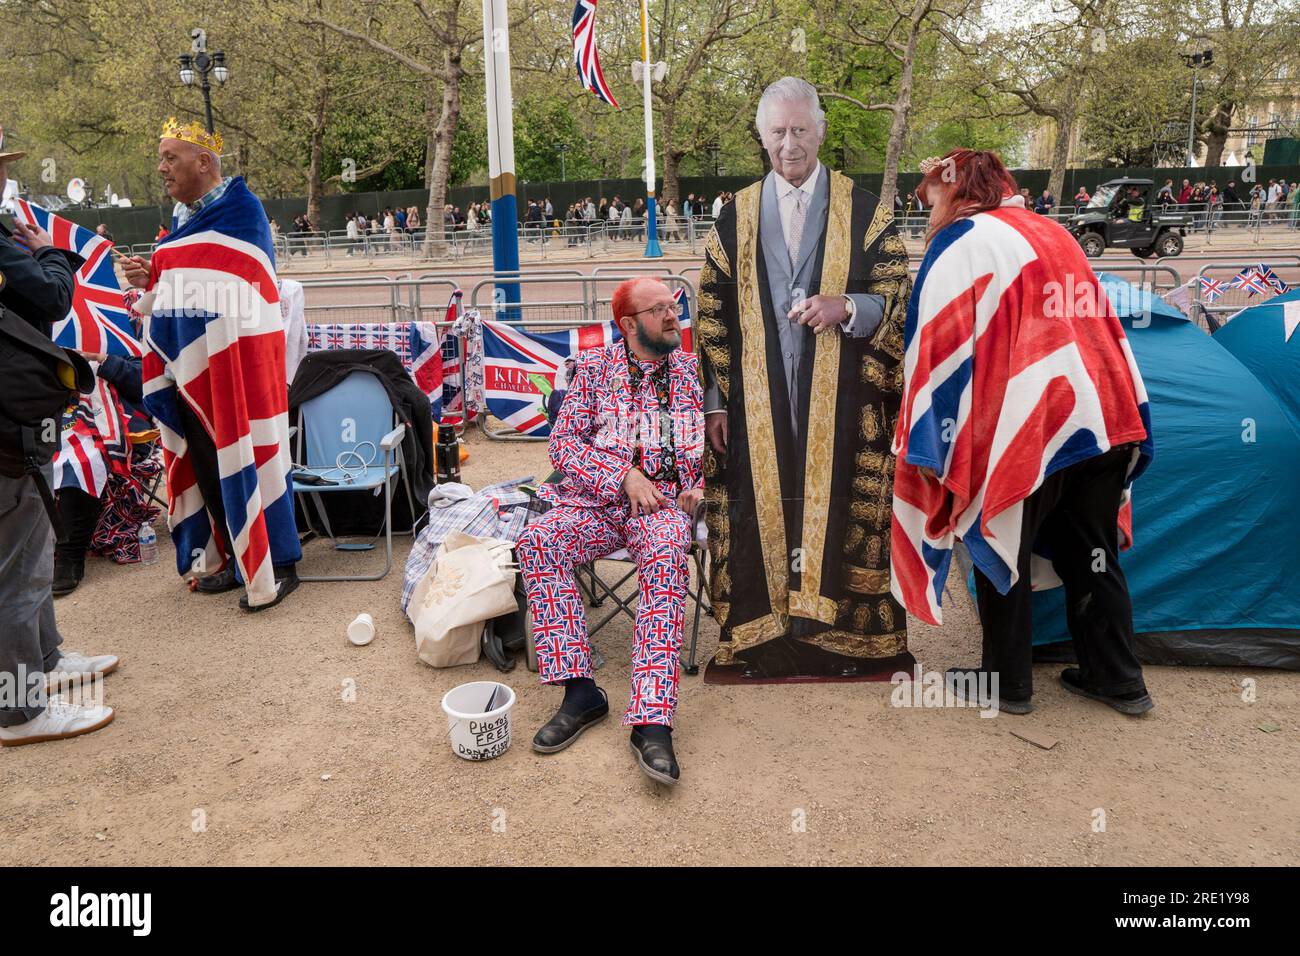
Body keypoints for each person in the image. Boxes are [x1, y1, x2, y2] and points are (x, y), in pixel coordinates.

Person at [891, 148, 1154, 716]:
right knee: (1093, 552)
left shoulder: (962, 241)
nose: (926, 209)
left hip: (1027, 425)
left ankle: (1007, 684)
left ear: (954, 189)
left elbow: (936, 342)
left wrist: (931, 437)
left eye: (929, 195)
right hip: (1102, 418)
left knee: (1001, 534)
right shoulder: (1052, 230)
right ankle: (1120, 679)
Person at [696, 77, 912, 680]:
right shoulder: (733, 217)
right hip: (754, 405)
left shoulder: (866, 210)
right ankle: (762, 637)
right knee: (762, 503)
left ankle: (840, 641)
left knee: (839, 504)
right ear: (762, 137)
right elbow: (710, 316)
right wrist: (715, 405)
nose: (789, 144)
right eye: (777, 132)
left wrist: (849, 306)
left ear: (820, 130)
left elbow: (898, 292)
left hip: (844, 400)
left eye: (799, 130)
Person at [516, 277, 703, 785]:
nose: (673, 316)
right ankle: (581, 692)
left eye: (674, 306)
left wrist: (698, 487)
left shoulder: (689, 373)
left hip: (662, 507)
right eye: (660, 309)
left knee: (666, 554)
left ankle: (651, 719)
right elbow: (564, 448)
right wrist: (622, 475)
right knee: (538, 540)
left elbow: (711, 452)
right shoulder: (595, 371)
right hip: (599, 504)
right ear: (628, 324)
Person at [120, 118, 300, 611]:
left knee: (255, 455)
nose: (161, 168)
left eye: (170, 158)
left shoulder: (243, 211)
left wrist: (172, 269)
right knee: (207, 462)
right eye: (160, 158)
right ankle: (234, 555)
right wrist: (153, 274)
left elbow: (243, 280)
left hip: (241, 364)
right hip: (192, 370)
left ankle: (279, 562)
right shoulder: (181, 220)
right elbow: (186, 276)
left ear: (204, 162)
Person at [0, 151, 119, 745]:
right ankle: (19, 711)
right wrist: (46, 250)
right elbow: (51, 298)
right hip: (8, 426)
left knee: (33, 550)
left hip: (23, 419)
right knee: (14, 573)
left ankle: (44, 661)